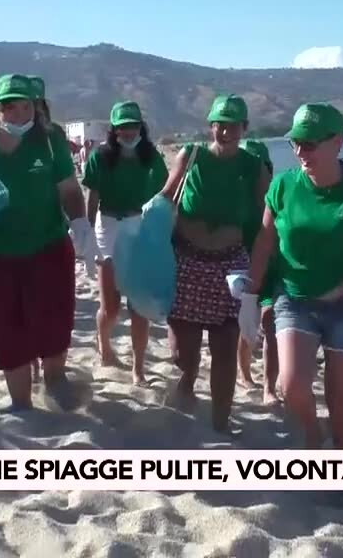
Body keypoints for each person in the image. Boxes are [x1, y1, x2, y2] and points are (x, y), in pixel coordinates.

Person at [244, 103, 343, 448]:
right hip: (295, 298)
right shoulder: (283, 187)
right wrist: (250, 296)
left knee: (340, 397)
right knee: (292, 385)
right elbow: (264, 242)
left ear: (338, 143)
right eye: (295, 142)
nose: (301, 151)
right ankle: (314, 438)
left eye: (310, 143)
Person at [0, 74, 98, 412]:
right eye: (9, 106)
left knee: (55, 320)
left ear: (35, 107)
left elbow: (69, 188)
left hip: (48, 245)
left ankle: (55, 381)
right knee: (9, 331)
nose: (18, 113)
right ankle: (22, 404)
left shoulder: (51, 140)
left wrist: (81, 222)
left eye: (25, 105)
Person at [159, 94, 270, 433]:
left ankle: (221, 423)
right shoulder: (191, 155)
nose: (226, 131)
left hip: (230, 266)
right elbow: (165, 197)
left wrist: (262, 269)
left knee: (224, 349)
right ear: (211, 126)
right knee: (184, 355)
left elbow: (268, 217)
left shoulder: (253, 166)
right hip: (188, 262)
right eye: (220, 124)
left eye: (233, 125)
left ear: (244, 128)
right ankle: (187, 385)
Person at [82, 101, 168, 384]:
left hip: (138, 225)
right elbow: (92, 198)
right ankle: (104, 346)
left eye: (132, 126)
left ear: (140, 126)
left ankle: (138, 368)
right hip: (107, 226)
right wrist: (86, 237)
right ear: (113, 130)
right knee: (110, 306)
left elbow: (165, 194)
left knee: (140, 305)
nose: (128, 132)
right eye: (122, 128)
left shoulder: (151, 156)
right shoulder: (100, 157)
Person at [236, 137, 281, 403]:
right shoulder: (234, 201)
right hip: (242, 270)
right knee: (245, 328)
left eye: (260, 166)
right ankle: (245, 375)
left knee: (270, 324)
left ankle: (269, 387)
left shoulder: (277, 196)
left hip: (273, 270)